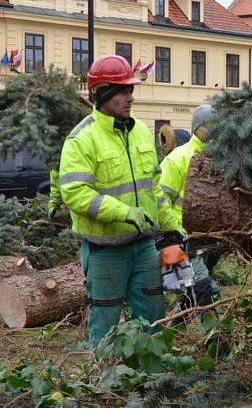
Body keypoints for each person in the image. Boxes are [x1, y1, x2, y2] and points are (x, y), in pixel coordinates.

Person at [59, 55, 184, 348]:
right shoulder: (82, 139)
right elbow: (76, 193)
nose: (130, 97)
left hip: (144, 247)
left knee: (152, 318)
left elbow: (153, 187)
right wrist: (124, 212)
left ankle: (152, 384)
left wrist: (171, 227)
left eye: (131, 90)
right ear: (102, 93)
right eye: (123, 90)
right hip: (105, 251)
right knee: (104, 326)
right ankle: (104, 385)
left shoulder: (140, 130)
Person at [159, 104, 218, 310]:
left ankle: (174, 327)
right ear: (198, 128)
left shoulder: (220, 159)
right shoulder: (178, 159)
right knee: (203, 289)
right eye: (210, 126)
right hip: (184, 237)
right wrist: (175, 231)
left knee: (193, 292)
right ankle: (215, 339)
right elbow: (160, 199)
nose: (214, 131)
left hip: (210, 237)